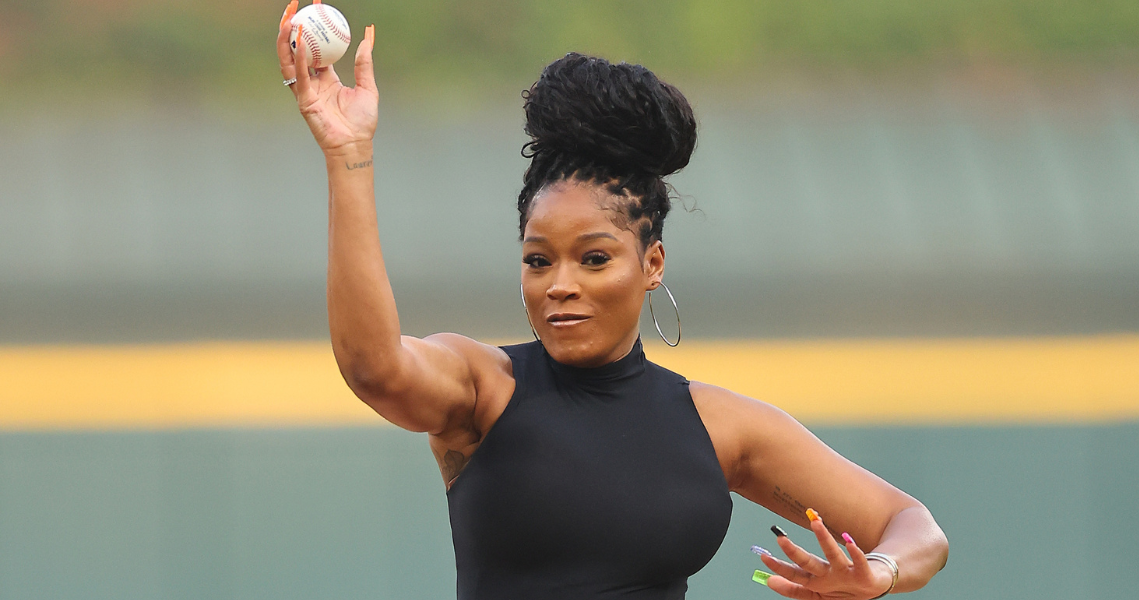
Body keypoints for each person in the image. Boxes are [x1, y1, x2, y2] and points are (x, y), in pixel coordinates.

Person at [276, 3, 948, 599]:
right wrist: (349, 154)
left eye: (594, 258)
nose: (559, 283)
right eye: (538, 261)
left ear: (651, 263)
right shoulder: (483, 390)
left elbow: (914, 527)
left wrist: (879, 572)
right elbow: (374, 368)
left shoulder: (720, 428)